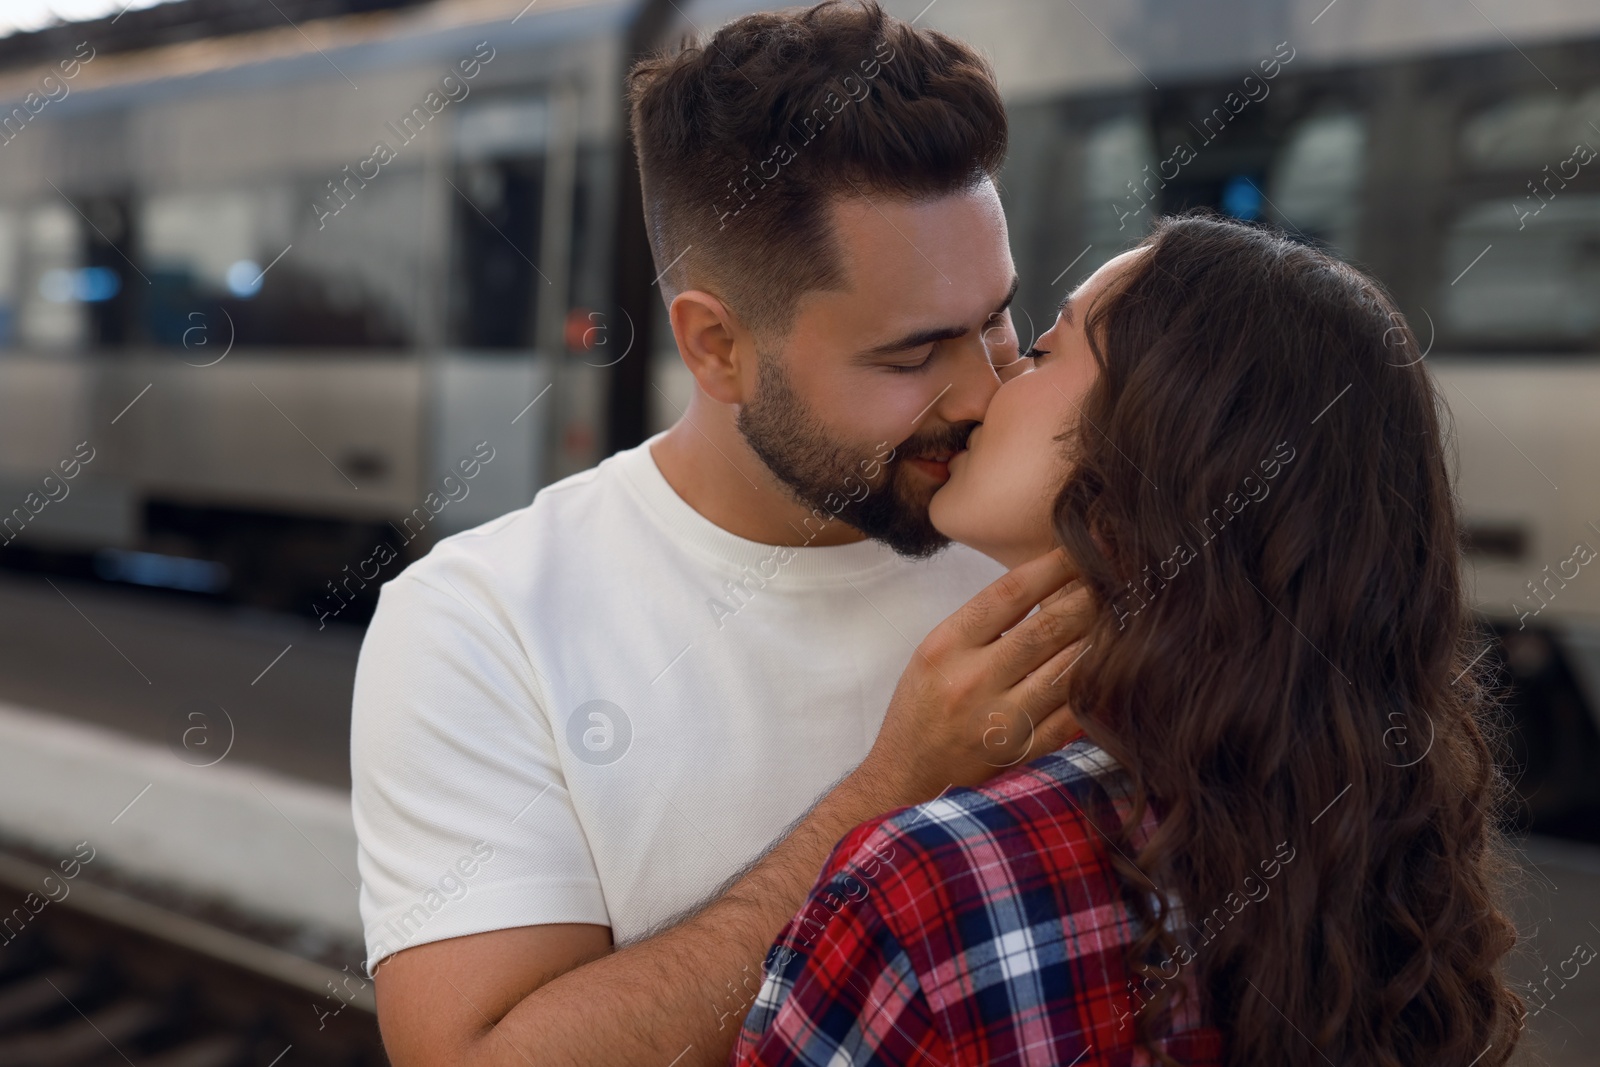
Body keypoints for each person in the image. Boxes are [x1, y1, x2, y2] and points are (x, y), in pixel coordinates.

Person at [352, 4, 1090, 1066]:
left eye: (996, 318)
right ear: (716, 346)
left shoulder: (1052, 545)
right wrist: (895, 790)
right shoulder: (482, 622)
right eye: (913, 353)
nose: (985, 388)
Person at [732, 214, 1527, 1067]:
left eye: (1041, 350)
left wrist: (890, 787)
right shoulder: (1374, 832)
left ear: (1154, 447)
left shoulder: (928, 887)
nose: (981, 393)